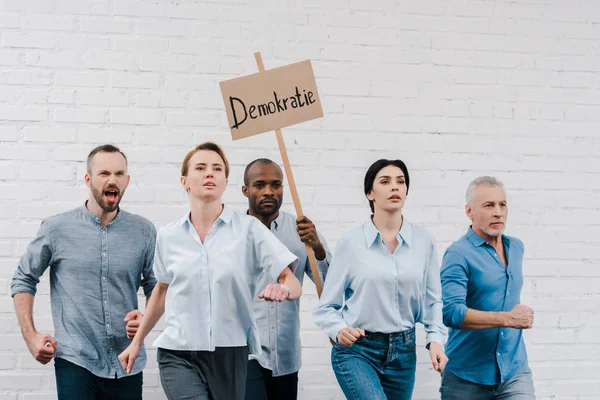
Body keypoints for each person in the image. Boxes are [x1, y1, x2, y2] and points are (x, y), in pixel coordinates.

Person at [118, 142, 303, 400]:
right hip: (177, 352)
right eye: (201, 167)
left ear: (225, 183)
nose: (209, 173)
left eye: (217, 168)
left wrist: (283, 289)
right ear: (185, 181)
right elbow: (162, 290)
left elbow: (293, 282)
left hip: (230, 353)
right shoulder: (168, 235)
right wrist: (136, 342)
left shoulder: (249, 230)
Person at [11, 144, 157, 399]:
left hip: (127, 361)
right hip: (76, 361)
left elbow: (157, 287)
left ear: (127, 180)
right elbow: (24, 278)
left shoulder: (144, 231)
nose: (113, 179)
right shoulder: (57, 228)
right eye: (104, 173)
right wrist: (30, 336)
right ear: (88, 179)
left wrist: (145, 319)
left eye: (119, 174)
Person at [313, 158, 447, 400]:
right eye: (385, 181)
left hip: (404, 353)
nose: (395, 187)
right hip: (358, 351)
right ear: (370, 193)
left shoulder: (424, 241)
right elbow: (326, 308)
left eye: (401, 182)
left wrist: (435, 339)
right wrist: (339, 329)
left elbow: (433, 300)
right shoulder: (350, 243)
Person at [242, 158, 332, 400]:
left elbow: (330, 288)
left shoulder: (300, 230)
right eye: (260, 185)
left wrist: (318, 248)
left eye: (276, 184)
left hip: (285, 355)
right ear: (245, 190)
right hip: (246, 353)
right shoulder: (233, 232)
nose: (269, 191)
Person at [440, 176, 535, 399]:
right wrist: (508, 319)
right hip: (467, 377)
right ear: (469, 211)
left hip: (514, 371)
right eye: (488, 205)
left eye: (502, 204)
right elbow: (451, 312)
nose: (498, 212)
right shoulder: (458, 254)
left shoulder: (516, 248)